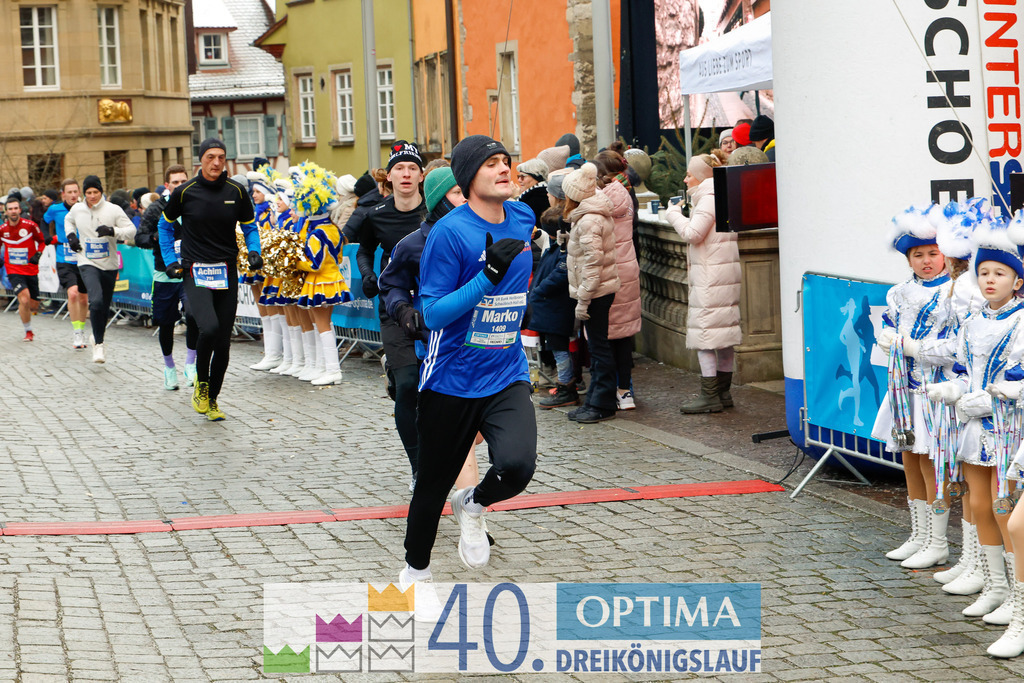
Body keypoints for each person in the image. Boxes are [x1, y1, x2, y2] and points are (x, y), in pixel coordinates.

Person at [399, 135, 537, 589]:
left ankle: (474, 503)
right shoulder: (449, 233)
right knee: (432, 487)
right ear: (467, 177)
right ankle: (415, 571)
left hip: (506, 370)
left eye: (506, 161)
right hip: (452, 378)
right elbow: (433, 313)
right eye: (491, 164)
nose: (503, 169)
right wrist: (488, 277)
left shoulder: (522, 216)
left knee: (518, 466)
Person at [927, 218, 1024, 635]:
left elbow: (1018, 379)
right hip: (972, 426)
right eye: (983, 271)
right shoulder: (972, 320)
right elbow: (966, 368)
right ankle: (995, 585)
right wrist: (953, 389)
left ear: (1017, 282)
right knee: (980, 504)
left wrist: (993, 397)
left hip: (1007, 429)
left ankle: (1019, 597)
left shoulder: (1021, 323)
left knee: (1007, 511)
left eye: (999, 273)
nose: (989, 279)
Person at [870, 206, 957, 575]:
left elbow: (956, 347)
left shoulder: (956, 293)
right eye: (918, 254)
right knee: (909, 460)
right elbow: (887, 325)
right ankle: (919, 534)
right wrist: (885, 336)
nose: (926, 260)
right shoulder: (898, 292)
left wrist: (911, 347)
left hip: (936, 391)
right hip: (904, 390)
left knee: (932, 463)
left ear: (945, 255)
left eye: (932, 253)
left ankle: (938, 542)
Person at [160, 138, 261, 421]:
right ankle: (201, 385)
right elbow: (164, 226)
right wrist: (170, 261)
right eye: (210, 157)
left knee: (224, 342)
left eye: (221, 157)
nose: (216, 162)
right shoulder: (185, 192)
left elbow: (250, 227)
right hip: (196, 270)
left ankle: (213, 399)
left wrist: (254, 251)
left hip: (227, 271)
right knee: (210, 327)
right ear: (200, 160)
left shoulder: (237, 192)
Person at [356, 141, 426, 486]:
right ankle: (418, 466)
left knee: (429, 387)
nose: (406, 174)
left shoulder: (436, 212)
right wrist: (369, 275)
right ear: (390, 176)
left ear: (421, 175)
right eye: (400, 168)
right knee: (410, 384)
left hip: (432, 306)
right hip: (393, 306)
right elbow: (364, 250)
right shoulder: (377, 214)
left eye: (412, 167)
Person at [665, 154, 742, 413]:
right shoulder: (720, 194)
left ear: (701, 176)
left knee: (706, 336)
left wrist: (673, 214)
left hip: (711, 278)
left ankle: (710, 396)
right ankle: (723, 393)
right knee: (724, 336)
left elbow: (693, 233)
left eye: (689, 174)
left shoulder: (708, 198)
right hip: (722, 275)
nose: (685, 179)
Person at [562, 162, 621, 423]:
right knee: (597, 348)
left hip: (596, 291)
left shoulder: (588, 219)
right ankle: (595, 401)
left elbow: (593, 264)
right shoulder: (589, 213)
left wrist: (583, 300)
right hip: (598, 289)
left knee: (599, 349)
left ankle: (603, 404)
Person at [136, 164, 198, 389]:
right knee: (165, 323)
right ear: (167, 185)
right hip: (165, 274)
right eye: (175, 182)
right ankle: (169, 367)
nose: (180, 185)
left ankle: (191, 364)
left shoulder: (195, 205)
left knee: (193, 314)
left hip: (190, 273)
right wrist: (157, 238)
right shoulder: (156, 208)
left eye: (184, 181)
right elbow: (139, 237)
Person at [65, 175, 137, 362]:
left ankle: (97, 336)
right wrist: (71, 237)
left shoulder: (113, 209)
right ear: (84, 193)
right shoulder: (77, 209)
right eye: (88, 192)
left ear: (101, 191)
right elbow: (68, 220)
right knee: (95, 301)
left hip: (109, 264)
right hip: (87, 262)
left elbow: (131, 230)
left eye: (95, 192)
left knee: (103, 307)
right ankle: (99, 345)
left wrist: (112, 231)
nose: (92, 196)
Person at [294, 162, 349, 386]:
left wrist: (296, 263)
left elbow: (314, 264)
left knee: (322, 326)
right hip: (333, 279)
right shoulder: (333, 228)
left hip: (320, 282)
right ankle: (327, 368)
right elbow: (336, 258)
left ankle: (332, 370)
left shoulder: (316, 234)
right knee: (327, 325)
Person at [594, 151, 642, 410]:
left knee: (604, 336)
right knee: (624, 336)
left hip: (609, 270)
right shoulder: (626, 192)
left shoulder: (601, 200)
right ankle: (626, 392)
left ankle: (607, 391)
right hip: (628, 268)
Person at [529, 169, 578, 408]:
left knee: (559, 348)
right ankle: (566, 383)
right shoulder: (556, 227)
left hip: (555, 302)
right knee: (557, 346)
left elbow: (563, 265)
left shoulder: (562, 224)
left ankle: (566, 386)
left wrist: (539, 290)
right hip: (551, 302)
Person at [43, 179, 89, 348]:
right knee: (73, 293)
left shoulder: (85, 208)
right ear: (63, 194)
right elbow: (43, 221)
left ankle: (82, 331)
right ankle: (76, 333)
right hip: (64, 258)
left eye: (75, 191)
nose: (72, 195)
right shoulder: (55, 209)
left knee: (84, 299)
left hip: (84, 258)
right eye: (69, 192)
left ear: (79, 193)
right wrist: (46, 237)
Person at [1, 196, 54, 341]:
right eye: (10, 209)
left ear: (20, 210)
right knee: (23, 299)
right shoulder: (2, 229)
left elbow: (42, 242)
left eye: (15, 208)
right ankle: (28, 331)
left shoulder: (30, 226)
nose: (13, 211)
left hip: (30, 269)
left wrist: (38, 254)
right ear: (6, 212)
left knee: (33, 304)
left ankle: (30, 313)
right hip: (13, 270)